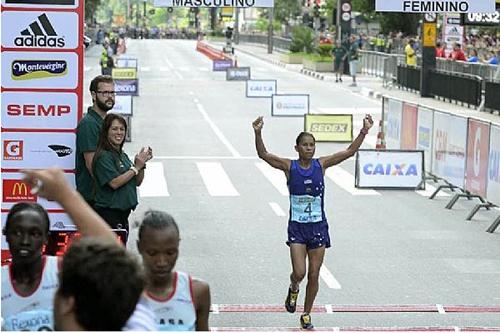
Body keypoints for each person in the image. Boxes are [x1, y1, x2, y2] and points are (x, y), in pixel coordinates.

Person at [252, 115, 374, 329]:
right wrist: (258, 132)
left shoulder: (321, 165)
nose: (309, 148)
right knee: (300, 272)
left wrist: (364, 131)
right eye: (305, 145)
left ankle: (306, 313)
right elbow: (263, 154)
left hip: (318, 227)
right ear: (297, 148)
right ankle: (293, 287)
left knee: (315, 273)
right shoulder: (289, 167)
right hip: (297, 228)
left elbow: (348, 152)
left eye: (312, 145)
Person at [1, 168, 156, 331]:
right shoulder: (139, 324)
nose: (25, 241)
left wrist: (64, 195)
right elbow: (124, 274)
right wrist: (65, 195)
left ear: (68, 302)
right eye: (17, 232)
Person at [137, 210, 211, 330]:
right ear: (139, 247)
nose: (161, 262)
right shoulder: (124, 292)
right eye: (152, 253)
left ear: (178, 246)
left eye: (170, 253)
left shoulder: (197, 292)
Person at [92, 113, 153, 240]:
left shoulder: (122, 155)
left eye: (122, 129)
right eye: (114, 129)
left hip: (122, 216)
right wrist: (135, 167)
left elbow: (137, 182)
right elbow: (114, 183)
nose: (119, 132)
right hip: (109, 215)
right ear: (106, 132)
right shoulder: (104, 156)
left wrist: (141, 164)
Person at [76, 75, 115, 207]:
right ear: (93, 95)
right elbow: (91, 164)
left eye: (112, 92)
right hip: (95, 199)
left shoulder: (106, 122)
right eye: (105, 93)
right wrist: (112, 186)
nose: (110, 96)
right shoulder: (89, 124)